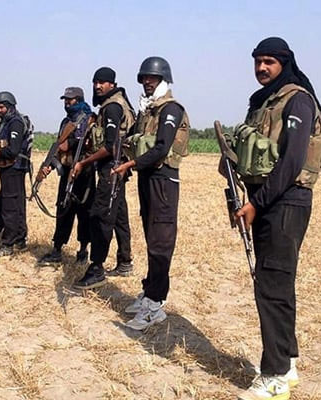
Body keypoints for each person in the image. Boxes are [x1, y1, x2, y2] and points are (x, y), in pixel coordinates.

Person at [224, 37, 321, 400]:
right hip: (267, 200)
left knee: (272, 287)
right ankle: (288, 363)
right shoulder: (263, 103)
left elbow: (292, 162)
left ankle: (276, 376)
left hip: (286, 201)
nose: (262, 68)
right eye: (257, 61)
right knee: (276, 287)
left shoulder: (297, 99)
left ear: (284, 63)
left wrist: (257, 205)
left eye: (269, 62)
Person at [113, 56, 190, 331]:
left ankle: (156, 304)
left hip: (163, 181)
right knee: (151, 239)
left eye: (152, 78)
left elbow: (160, 148)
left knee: (161, 244)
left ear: (163, 80)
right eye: (144, 78)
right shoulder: (148, 110)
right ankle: (149, 292)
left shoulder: (170, 109)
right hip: (148, 179)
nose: (147, 82)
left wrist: (130, 164)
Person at [71, 67, 135, 289]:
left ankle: (96, 267)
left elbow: (110, 146)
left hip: (112, 169)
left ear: (112, 84)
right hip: (117, 169)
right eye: (95, 82)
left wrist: (82, 162)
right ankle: (125, 261)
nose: (97, 86)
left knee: (100, 216)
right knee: (119, 216)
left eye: (102, 83)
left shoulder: (113, 107)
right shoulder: (112, 105)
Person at [37, 87, 95, 267]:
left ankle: (83, 249)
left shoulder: (90, 119)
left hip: (84, 172)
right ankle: (57, 248)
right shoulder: (66, 122)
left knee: (84, 212)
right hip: (67, 171)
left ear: (79, 100)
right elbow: (59, 146)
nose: (66, 104)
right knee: (63, 209)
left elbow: (90, 142)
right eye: (65, 100)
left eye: (70, 100)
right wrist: (48, 166)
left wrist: (69, 143)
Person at [0, 91, 30, 256]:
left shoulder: (15, 122)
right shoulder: (5, 122)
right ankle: (20, 239)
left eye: (1, 107)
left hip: (14, 168)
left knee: (10, 207)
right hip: (9, 169)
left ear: (10, 106)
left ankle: (8, 244)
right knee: (13, 203)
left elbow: (13, 150)